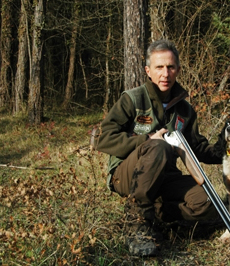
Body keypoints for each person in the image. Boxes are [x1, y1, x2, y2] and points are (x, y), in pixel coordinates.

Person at [91, 39, 223, 256]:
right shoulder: (132, 99)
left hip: (165, 178)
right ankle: (136, 223)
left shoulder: (184, 109)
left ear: (178, 70)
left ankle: (159, 216)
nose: (165, 74)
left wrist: (227, 151)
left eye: (170, 67)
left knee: (206, 203)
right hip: (127, 175)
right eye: (159, 67)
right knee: (158, 147)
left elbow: (198, 147)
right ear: (148, 71)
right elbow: (104, 139)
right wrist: (147, 140)